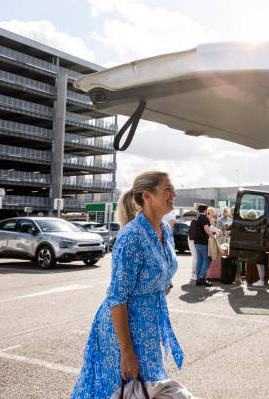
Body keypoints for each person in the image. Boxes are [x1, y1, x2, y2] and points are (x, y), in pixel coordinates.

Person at [71, 170, 183, 399]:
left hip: (150, 326)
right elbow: (117, 297)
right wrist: (126, 351)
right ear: (147, 195)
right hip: (124, 331)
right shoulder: (131, 236)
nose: (175, 193)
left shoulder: (166, 231)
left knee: (146, 390)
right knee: (124, 390)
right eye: (168, 189)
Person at [194, 204, 215, 286]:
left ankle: (198, 279)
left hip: (197, 242)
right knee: (208, 259)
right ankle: (202, 278)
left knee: (200, 260)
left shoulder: (198, 218)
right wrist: (212, 236)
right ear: (205, 211)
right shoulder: (204, 218)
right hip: (203, 242)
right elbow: (206, 227)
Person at [162, 211, 176, 288]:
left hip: (158, 239)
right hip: (168, 240)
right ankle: (169, 280)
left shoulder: (158, 214)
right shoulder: (172, 216)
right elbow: (171, 229)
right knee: (169, 260)